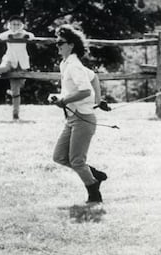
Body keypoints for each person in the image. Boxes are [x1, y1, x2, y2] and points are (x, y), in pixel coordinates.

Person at [50, 24, 107, 204]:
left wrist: (64, 101)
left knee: (76, 161)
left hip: (83, 119)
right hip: (72, 119)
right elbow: (93, 77)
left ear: (71, 45)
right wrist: (60, 98)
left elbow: (85, 91)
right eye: (57, 42)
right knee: (59, 157)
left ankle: (94, 192)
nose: (58, 46)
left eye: (61, 42)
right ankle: (93, 174)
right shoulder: (66, 64)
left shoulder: (74, 65)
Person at [0, 15, 34, 120]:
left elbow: (31, 36)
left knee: (16, 88)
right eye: (14, 24)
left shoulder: (24, 34)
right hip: (9, 59)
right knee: (2, 69)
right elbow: (2, 36)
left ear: (22, 25)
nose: (16, 26)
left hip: (21, 63)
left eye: (18, 24)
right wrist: (12, 35)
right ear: (10, 25)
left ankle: (15, 113)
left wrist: (23, 34)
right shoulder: (8, 33)